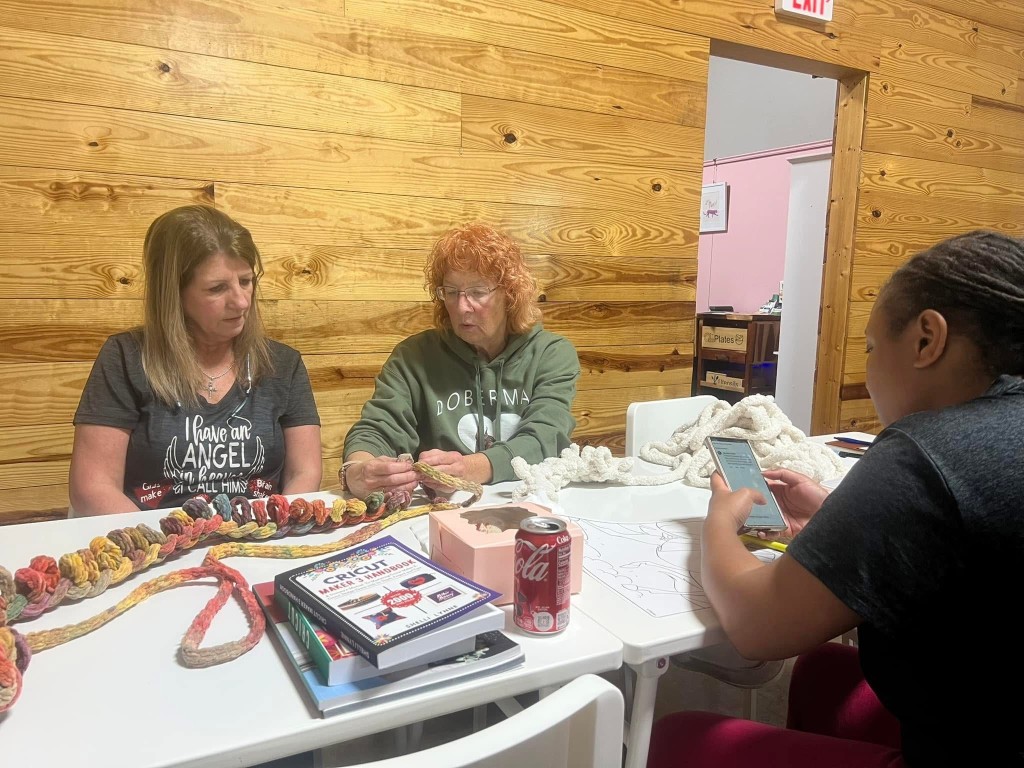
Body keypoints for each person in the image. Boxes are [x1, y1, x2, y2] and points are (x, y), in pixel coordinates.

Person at [648, 230, 1024, 767]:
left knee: (678, 737)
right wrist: (838, 519)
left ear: (927, 340)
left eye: (871, 348)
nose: (868, 370)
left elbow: (757, 625)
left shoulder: (926, 449)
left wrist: (717, 525)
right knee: (823, 673)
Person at [70, 205, 322, 515]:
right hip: (157, 533)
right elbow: (92, 487)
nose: (241, 301)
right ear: (174, 293)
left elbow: (305, 473)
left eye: (245, 281)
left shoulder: (283, 363)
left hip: (261, 529)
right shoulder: (125, 357)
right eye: (217, 288)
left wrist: (276, 525)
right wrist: (163, 539)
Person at [341, 223, 580, 499]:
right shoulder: (413, 357)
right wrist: (357, 470)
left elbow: (546, 437)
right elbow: (377, 429)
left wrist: (470, 468)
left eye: (478, 292)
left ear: (510, 294)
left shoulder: (551, 353)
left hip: (531, 500)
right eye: (452, 292)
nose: (462, 307)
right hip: (443, 509)